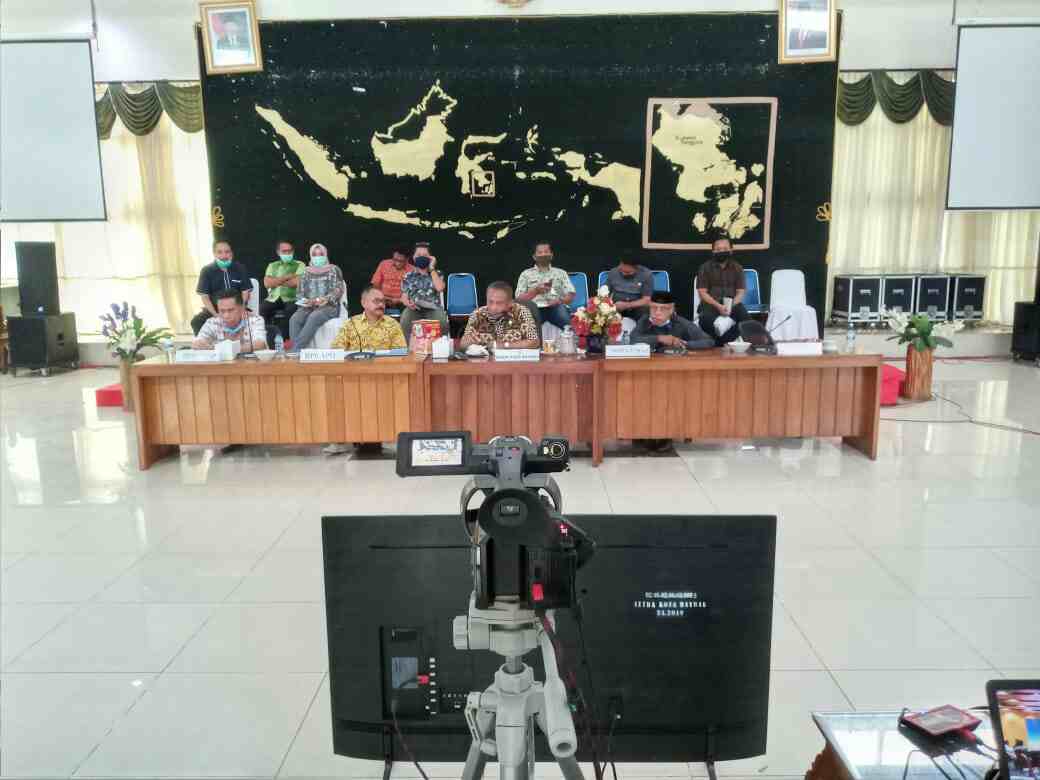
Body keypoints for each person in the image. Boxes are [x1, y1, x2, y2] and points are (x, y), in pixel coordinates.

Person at [288, 243, 345, 350]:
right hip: (308, 306)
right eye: (314, 254)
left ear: (326, 255)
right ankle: (297, 352)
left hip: (329, 306)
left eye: (321, 254)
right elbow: (299, 293)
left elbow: (338, 289)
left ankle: (295, 351)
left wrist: (325, 299)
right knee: (294, 319)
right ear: (310, 256)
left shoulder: (334, 269)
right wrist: (306, 301)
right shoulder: (305, 272)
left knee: (314, 316)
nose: (318, 257)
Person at [696, 235, 750, 345]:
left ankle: (727, 342)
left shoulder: (737, 268)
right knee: (705, 320)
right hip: (711, 304)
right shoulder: (704, 268)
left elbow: (741, 292)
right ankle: (722, 343)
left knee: (746, 321)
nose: (721, 251)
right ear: (713, 251)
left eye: (725, 249)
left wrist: (730, 306)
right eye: (718, 249)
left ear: (731, 250)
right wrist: (718, 306)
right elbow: (702, 293)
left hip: (733, 304)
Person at [191, 240, 252, 335]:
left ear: (232, 253)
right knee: (196, 321)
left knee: (254, 321)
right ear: (214, 254)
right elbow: (205, 297)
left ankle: (242, 343)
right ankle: (206, 343)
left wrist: (241, 309)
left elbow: (245, 292)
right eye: (219, 252)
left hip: (237, 308)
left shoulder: (240, 268)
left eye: (227, 252)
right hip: (215, 309)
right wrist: (216, 315)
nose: (224, 256)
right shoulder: (206, 271)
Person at [459, 281, 540, 350]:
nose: (493, 307)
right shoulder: (477, 314)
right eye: (490, 302)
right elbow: (462, 344)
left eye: (499, 303)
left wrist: (504, 345)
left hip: (515, 361)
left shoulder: (521, 312)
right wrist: (468, 342)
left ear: (510, 303)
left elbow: (534, 342)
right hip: (486, 361)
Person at [515, 241, 575, 330]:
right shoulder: (525, 274)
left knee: (568, 323)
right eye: (540, 252)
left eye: (546, 252)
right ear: (534, 256)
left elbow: (571, 294)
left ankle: (572, 337)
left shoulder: (561, 273)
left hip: (556, 307)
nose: (543, 254)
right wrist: (535, 291)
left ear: (551, 255)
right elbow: (519, 300)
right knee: (527, 326)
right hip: (535, 308)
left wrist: (560, 300)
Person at [630, 291, 714, 352]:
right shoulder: (645, 320)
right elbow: (633, 339)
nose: (657, 312)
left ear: (671, 310)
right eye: (654, 308)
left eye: (663, 309)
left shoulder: (680, 323)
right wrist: (659, 338)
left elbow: (709, 341)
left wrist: (683, 344)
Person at [399, 242, 449, 344]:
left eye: (425, 255)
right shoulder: (408, 276)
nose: (421, 257)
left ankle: (440, 346)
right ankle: (409, 347)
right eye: (418, 255)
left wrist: (432, 268)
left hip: (433, 309)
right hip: (414, 309)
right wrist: (407, 303)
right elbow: (403, 297)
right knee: (405, 319)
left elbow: (440, 288)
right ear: (413, 257)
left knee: (442, 321)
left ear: (431, 258)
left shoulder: (437, 273)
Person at [330, 286, 407, 351]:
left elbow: (400, 353)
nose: (381, 304)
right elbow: (336, 351)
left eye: (383, 301)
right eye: (376, 301)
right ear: (363, 303)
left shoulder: (393, 324)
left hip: (384, 364)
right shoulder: (351, 324)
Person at [192, 288, 266, 353]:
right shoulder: (212, 322)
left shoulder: (255, 320)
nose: (226, 315)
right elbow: (196, 344)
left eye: (230, 310)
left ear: (241, 308)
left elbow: (260, 344)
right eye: (222, 311)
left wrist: (220, 349)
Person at [260, 240, 304, 347]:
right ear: (278, 252)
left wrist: (276, 281)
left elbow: (296, 283)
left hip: (292, 297)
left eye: (289, 251)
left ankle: (283, 340)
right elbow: (267, 283)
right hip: (274, 297)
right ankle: (265, 339)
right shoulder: (272, 265)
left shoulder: (300, 264)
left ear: (293, 252)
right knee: (262, 309)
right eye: (284, 251)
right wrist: (287, 276)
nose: (287, 253)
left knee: (291, 310)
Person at [605, 254, 655, 323]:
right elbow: (604, 295)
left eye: (627, 272)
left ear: (637, 268)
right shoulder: (613, 272)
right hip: (616, 308)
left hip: (637, 309)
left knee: (646, 313)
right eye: (621, 270)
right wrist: (610, 306)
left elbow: (647, 300)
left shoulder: (646, 275)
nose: (623, 274)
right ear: (620, 263)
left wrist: (626, 305)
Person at [370, 246, 415, 311]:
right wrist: (382, 297)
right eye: (395, 259)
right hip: (382, 299)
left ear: (407, 259)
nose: (397, 263)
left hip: (402, 303)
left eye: (401, 261)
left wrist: (399, 300)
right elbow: (375, 284)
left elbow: (411, 292)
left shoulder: (412, 270)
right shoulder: (384, 264)